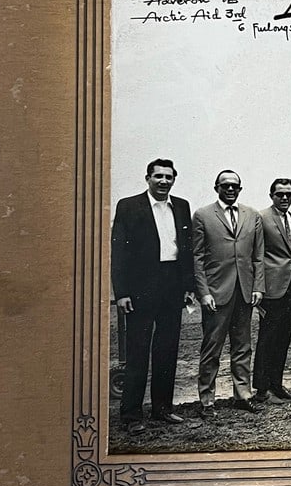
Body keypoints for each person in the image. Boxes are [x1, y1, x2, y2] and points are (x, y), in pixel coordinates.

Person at [110, 159, 197, 434]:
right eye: (158, 176)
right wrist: (122, 293)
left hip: (172, 284)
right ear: (147, 178)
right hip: (141, 287)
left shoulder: (181, 206)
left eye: (168, 177)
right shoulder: (128, 206)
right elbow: (118, 254)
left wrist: (187, 287)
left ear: (174, 179)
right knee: (138, 350)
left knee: (167, 348)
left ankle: (162, 408)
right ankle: (132, 415)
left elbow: (186, 251)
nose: (163, 181)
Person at [192, 170, 265, 416]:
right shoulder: (202, 215)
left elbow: (258, 257)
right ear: (217, 188)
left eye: (235, 186)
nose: (231, 190)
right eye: (226, 186)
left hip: (244, 292)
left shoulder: (252, 215)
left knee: (243, 347)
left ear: (240, 189)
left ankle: (243, 395)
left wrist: (257, 287)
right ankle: (207, 400)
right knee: (212, 347)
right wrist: (204, 292)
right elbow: (198, 258)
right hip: (216, 293)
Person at [252, 178, 291, 403]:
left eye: (289, 194)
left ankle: (277, 384)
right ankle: (262, 390)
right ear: (271, 195)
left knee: (284, 338)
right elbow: (255, 255)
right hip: (270, 289)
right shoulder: (262, 217)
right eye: (280, 194)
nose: (285, 198)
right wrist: (259, 288)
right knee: (267, 338)